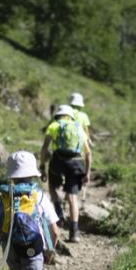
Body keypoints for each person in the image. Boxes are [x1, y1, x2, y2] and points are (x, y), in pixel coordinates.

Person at [40, 104, 91, 243]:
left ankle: (58, 211)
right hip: (76, 163)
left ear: (58, 115)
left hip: (58, 161)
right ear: (71, 116)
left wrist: (42, 166)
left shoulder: (54, 125)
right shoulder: (79, 128)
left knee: (52, 187)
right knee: (72, 198)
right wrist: (87, 173)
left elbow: (45, 147)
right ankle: (74, 233)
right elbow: (88, 153)